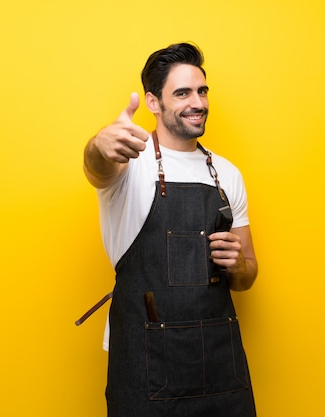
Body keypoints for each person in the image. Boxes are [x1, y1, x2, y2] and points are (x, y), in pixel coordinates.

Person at [83, 42, 258, 417]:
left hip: (219, 363)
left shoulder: (226, 173)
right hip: (147, 364)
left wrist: (237, 266)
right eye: (182, 93)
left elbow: (247, 274)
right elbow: (97, 168)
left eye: (202, 90)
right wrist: (99, 144)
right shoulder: (130, 161)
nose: (197, 102)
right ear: (152, 102)